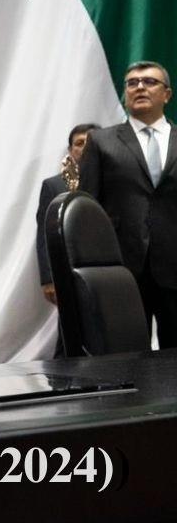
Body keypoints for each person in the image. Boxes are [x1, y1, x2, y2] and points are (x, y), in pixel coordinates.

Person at [79, 61, 176, 347]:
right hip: (122, 265)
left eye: (149, 82)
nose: (140, 87)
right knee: (127, 351)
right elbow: (87, 206)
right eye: (132, 83)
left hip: (174, 262)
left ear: (167, 94)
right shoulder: (101, 141)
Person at [35, 123, 98, 305]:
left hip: (107, 266)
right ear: (70, 150)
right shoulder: (53, 186)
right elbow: (44, 234)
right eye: (79, 143)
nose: (84, 147)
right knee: (72, 326)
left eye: (90, 142)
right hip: (68, 268)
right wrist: (48, 278)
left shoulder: (113, 180)